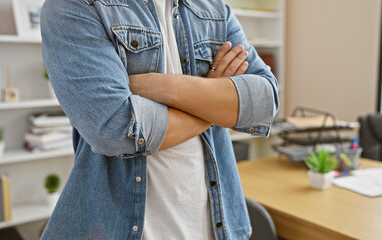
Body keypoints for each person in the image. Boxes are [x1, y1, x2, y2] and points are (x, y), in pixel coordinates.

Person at [40, 0, 279, 239]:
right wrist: (215, 102)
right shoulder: (76, 6)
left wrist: (156, 85)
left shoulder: (213, 9)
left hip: (218, 229)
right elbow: (117, 128)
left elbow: (266, 100)